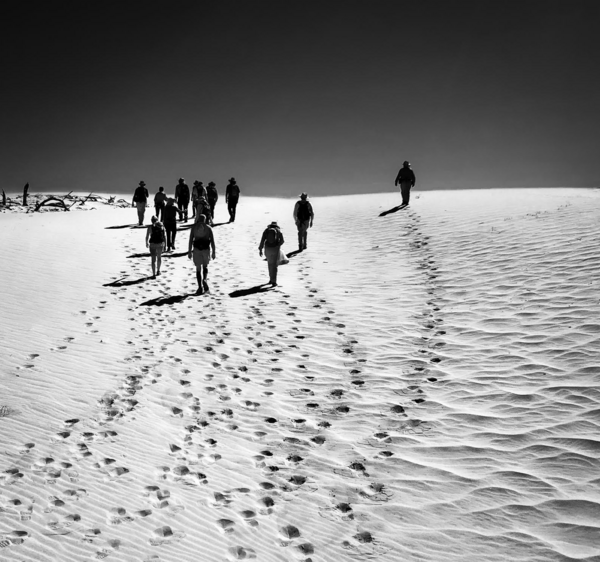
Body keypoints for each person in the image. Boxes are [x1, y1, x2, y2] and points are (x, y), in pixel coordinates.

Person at [188, 214, 216, 295]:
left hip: (197, 250)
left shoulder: (194, 228)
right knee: (205, 266)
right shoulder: (208, 228)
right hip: (206, 250)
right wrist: (214, 252)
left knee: (198, 268)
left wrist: (189, 251)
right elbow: (212, 241)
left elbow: (190, 241)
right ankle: (205, 279)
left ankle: (200, 287)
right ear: (205, 220)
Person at [258, 221, 284, 286]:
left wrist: (260, 249)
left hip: (267, 249)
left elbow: (262, 240)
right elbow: (282, 241)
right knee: (274, 265)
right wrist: (278, 245)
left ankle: (270, 279)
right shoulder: (278, 231)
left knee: (269, 264)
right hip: (275, 249)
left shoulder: (266, 230)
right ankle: (274, 281)